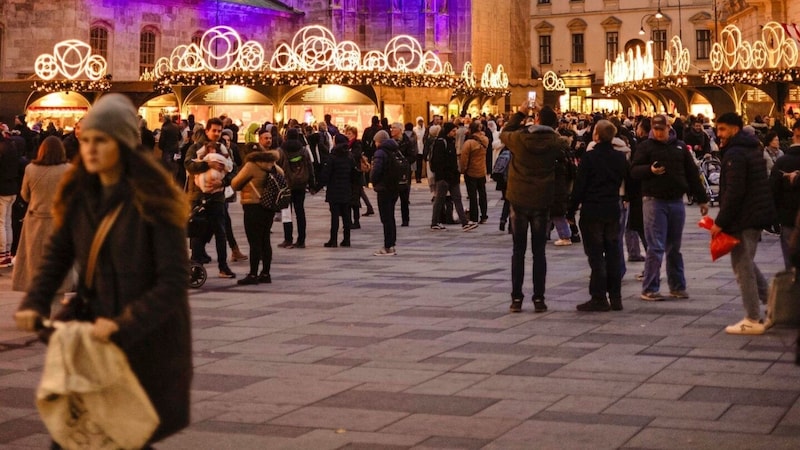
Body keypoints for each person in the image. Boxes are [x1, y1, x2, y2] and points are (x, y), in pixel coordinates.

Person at [13, 93, 192, 446]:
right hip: (95, 332)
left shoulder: (153, 198)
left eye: (102, 141)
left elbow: (173, 281)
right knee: (79, 435)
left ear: (124, 144)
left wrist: (124, 323)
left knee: (122, 435)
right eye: (87, 139)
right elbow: (58, 253)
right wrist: (35, 301)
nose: (91, 148)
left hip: (144, 340)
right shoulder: (80, 193)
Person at [711, 112, 777, 334]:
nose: (718, 134)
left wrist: (720, 222)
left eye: (722, 129)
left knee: (742, 267)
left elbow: (734, 192)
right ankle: (773, 305)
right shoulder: (750, 148)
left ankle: (753, 318)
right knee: (746, 262)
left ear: (735, 129)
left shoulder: (736, 154)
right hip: (753, 214)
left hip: (743, 217)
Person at [630, 114, 709, 301]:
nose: (658, 133)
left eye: (661, 129)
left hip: (676, 201)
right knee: (656, 246)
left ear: (669, 128)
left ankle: (677, 286)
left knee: (674, 247)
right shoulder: (645, 147)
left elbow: (692, 173)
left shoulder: (680, 147)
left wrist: (702, 199)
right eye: (655, 129)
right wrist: (650, 170)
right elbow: (633, 171)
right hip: (654, 200)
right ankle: (650, 288)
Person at [500, 102, 568, 313]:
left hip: (519, 199)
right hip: (542, 200)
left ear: (536, 119)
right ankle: (539, 299)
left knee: (518, 251)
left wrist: (520, 111)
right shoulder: (555, 142)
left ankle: (516, 299)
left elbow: (505, 132)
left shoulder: (520, 139)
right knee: (539, 252)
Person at [568, 120, 629, 312]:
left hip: (592, 210)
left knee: (596, 256)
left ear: (597, 135)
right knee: (613, 253)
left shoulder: (590, 158)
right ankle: (616, 297)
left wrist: (571, 211)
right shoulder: (620, 158)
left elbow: (580, 186)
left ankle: (599, 297)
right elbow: (630, 181)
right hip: (612, 209)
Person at [11, 136, 72, 297]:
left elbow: (24, 194)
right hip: (60, 221)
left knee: (34, 260)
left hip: (35, 220)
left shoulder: (31, 169)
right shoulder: (68, 170)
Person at [184, 118, 236, 278]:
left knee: (220, 231)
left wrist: (224, 181)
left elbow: (232, 171)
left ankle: (223, 266)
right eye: (214, 130)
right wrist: (208, 165)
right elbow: (188, 165)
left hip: (217, 196)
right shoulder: (196, 147)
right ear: (207, 131)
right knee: (198, 232)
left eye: (219, 131)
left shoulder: (223, 150)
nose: (217, 133)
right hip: (198, 196)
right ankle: (196, 266)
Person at [231, 149, 283, 285]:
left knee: (254, 241)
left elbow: (235, 184)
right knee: (265, 239)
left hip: (252, 206)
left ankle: (253, 274)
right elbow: (283, 178)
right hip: (269, 207)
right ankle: (266, 273)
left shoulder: (251, 166)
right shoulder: (274, 166)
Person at [429, 123, 478, 232]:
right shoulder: (441, 142)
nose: (455, 133)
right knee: (440, 200)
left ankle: (464, 222)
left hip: (452, 177)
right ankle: (434, 222)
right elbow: (438, 162)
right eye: (453, 131)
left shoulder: (450, 142)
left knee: (457, 199)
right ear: (447, 131)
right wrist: (443, 175)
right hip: (444, 178)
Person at [769, 120, 800, 269]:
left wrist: (773, 218)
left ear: (795, 134)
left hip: (787, 217)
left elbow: (773, 190)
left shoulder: (782, 162)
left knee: (790, 264)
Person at [277, 127, 315, 249]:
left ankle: (288, 239)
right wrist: (312, 182)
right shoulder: (303, 150)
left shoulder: (281, 150)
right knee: (300, 212)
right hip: (301, 183)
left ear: (286, 136)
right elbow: (310, 166)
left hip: (286, 184)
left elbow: (277, 167)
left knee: (287, 212)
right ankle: (301, 240)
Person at [318, 135, 356, 248]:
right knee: (346, 215)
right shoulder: (349, 156)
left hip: (334, 190)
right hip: (346, 189)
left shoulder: (332, 156)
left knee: (334, 216)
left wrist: (317, 187)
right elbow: (354, 174)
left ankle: (333, 240)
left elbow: (326, 174)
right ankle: (347, 239)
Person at [370, 130, 400, 256]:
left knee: (386, 218)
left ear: (379, 141)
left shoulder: (380, 152)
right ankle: (392, 244)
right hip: (394, 187)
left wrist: (372, 180)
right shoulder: (395, 150)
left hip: (384, 188)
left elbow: (376, 171)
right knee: (390, 217)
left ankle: (387, 246)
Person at [460, 121, 489, 224]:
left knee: (472, 196)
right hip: (482, 170)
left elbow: (464, 159)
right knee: (482, 194)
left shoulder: (469, 143)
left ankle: (474, 217)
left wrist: (463, 170)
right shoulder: (485, 140)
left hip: (471, 172)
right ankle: (484, 215)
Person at [0, 131, 19, 267]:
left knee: (1, 223)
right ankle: (7, 253)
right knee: (7, 222)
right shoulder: (11, 146)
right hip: (12, 188)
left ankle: (2, 255)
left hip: (2, 189)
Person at [390, 122, 414, 226]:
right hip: (393, 174)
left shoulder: (407, 142)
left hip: (404, 173)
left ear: (400, 130)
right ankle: (390, 220)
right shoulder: (390, 142)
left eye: (394, 128)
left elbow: (413, 156)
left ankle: (405, 220)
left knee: (404, 198)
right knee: (391, 199)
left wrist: (403, 162)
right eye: (391, 128)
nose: (392, 130)